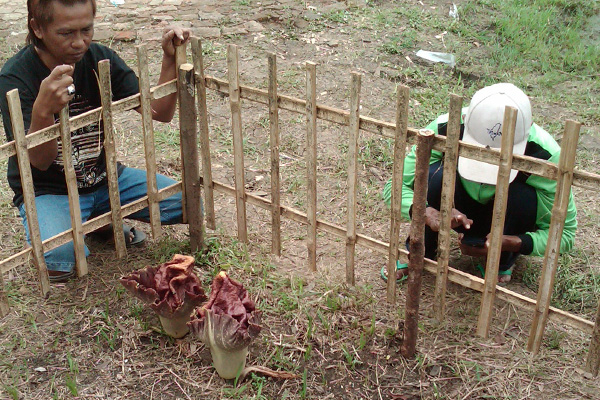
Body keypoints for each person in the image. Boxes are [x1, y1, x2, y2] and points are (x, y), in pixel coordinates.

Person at [0, 0, 191, 282]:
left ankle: (92, 219)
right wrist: (43, 110)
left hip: (105, 180)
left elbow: (159, 111)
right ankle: (86, 223)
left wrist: (169, 59)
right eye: (66, 33)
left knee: (186, 202)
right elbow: (39, 162)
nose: (80, 42)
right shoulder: (15, 77)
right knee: (61, 260)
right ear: (37, 28)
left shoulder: (100, 59)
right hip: (50, 190)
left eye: (86, 29)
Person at [382, 83, 577, 284]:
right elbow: (394, 187)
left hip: (506, 220)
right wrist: (427, 213)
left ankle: (502, 260)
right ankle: (421, 252)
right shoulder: (444, 128)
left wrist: (513, 243)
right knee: (433, 175)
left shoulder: (546, 155)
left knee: (524, 196)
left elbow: (565, 233)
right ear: (465, 121)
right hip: (454, 207)